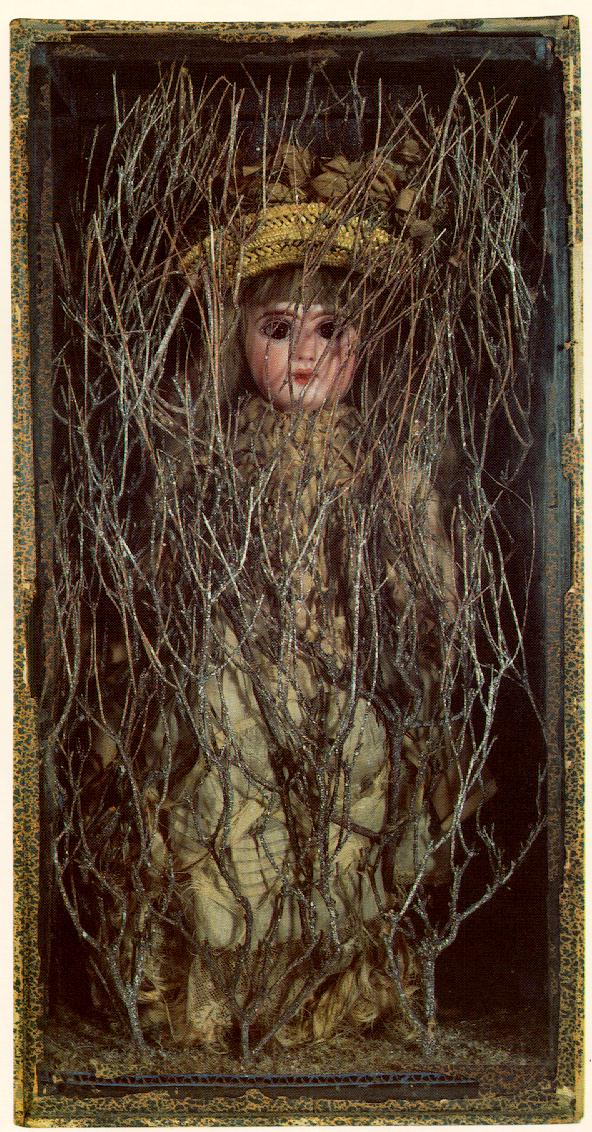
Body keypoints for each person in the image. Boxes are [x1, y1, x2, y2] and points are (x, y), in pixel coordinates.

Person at [89, 183, 492, 1052]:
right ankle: (231, 998)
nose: (304, 355)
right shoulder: (206, 454)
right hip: (232, 666)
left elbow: (427, 582)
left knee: (350, 804)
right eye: (277, 330)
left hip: (347, 667)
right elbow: (159, 574)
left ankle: (320, 991)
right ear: (238, 342)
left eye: (330, 330)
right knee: (227, 808)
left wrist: (422, 625)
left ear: (364, 342)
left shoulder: (382, 462)